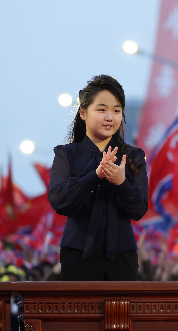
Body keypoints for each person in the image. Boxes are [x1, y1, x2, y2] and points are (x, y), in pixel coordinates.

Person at [48, 75, 148, 281]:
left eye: (117, 110)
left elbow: (139, 209)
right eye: (101, 109)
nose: (110, 117)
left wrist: (122, 183)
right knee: (79, 312)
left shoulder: (133, 155)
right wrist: (95, 176)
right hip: (77, 252)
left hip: (122, 254)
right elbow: (59, 200)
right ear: (83, 113)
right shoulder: (66, 154)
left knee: (120, 312)